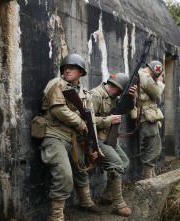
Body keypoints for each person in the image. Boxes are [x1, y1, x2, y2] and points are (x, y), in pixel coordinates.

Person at [39, 54, 105, 220]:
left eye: (72, 67)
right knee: (64, 176)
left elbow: (91, 123)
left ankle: (86, 202)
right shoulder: (56, 84)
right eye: (65, 67)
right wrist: (81, 124)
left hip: (75, 139)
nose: (67, 70)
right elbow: (58, 110)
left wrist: (94, 147)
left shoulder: (85, 94)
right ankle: (56, 217)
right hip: (55, 135)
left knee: (81, 170)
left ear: (81, 72)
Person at [90, 73, 136, 217]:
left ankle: (108, 196)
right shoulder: (95, 96)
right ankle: (118, 204)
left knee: (125, 162)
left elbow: (125, 109)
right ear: (118, 89)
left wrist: (130, 98)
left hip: (108, 138)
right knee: (116, 165)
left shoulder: (114, 97)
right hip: (95, 140)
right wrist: (109, 120)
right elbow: (86, 121)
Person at [135, 60, 165, 179]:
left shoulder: (141, 75)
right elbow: (156, 94)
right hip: (146, 114)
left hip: (148, 114)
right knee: (152, 145)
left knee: (155, 143)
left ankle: (151, 174)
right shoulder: (145, 77)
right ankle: (148, 176)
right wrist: (160, 83)